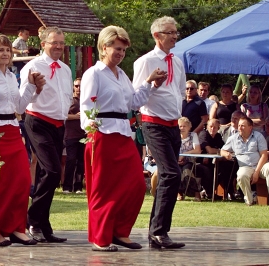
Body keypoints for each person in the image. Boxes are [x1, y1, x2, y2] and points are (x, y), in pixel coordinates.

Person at [81, 25, 166, 252]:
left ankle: (120, 232)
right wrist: (91, 131)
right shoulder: (94, 74)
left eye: (123, 50)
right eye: (117, 48)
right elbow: (86, 107)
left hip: (123, 134)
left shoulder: (121, 75)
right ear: (104, 47)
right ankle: (101, 237)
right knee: (103, 189)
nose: (120, 53)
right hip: (102, 134)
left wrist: (150, 83)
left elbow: (133, 102)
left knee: (136, 186)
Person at [0, 34, 41, 247]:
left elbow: (20, 107)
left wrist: (31, 87)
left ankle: (15, 227)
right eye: (0, 50)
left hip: (12, 130)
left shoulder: (12, 77)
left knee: (21, 181)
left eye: (7, 50)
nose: (5, 54)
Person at [132, 16, 185, 249]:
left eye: (176, 32)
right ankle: (158, 232)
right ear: (157, 35)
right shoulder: (146, 61)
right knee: (171, 174)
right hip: (153, 123)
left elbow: (180, 90)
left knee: (170, 176)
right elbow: (137, 94)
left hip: (173, 124)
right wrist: (152, 84)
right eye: (170, 32)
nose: (175, 36)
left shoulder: (178, 61)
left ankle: (157, 232)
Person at [19, 27, 72, 244]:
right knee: (52, 171)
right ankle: (32, 219)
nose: (59, 46)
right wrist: (35, 87)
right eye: (54, 42)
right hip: (38, 121)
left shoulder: (65, 69)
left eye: (61, 42)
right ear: (43, 44)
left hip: (58, 124)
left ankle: (43, 225)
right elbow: (23, 97)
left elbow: (66, 94)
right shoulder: (32, 66)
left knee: (46, 175)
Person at [221, 115, 269, 206]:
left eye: (243, 125)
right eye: (239, 125)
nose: (240, 127)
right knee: (241, 175)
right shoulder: (233, 138)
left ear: (250, 127)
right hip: (245, 167)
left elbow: (264, 156)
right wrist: (226, 154)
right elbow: (222, 150)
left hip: (261, 165)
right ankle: (249, 200)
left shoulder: (258, 136)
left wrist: (256, 172)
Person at [176, 117, 211, 201]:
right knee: (175, 171)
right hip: (176, 161)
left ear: (189, 127)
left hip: (190, 161)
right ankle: (179, 193)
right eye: (180, 126)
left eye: (184, 126)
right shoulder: (175, 137)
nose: (182, 128)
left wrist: (184, 154)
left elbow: (198, 150)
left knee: (187, 170)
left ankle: (196, 193)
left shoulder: (193, 135)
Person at [63, 78, 86, 194]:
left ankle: (78, 187)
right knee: (71, 160)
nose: (79, 88)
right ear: (73, 87)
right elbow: (62, 115)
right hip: (71, 135)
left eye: (80, 86)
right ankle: (67, 187)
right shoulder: (69, 100)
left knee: (81, 162)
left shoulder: (86, 100)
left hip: (84, 135)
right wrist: (75, 117)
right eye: (76, 86)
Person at [198, 118, 226, 199]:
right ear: (207, 127)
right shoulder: (203, 134)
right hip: (201, 161)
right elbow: (209, 150)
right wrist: (219, 151)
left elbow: (224, 149)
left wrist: (219, 151)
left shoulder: (218, 136)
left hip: (214, 161)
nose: (212, 129)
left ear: (218, 128)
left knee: (226, 168)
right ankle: (209, 192)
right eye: (210, 126)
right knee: (207, 171)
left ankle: (209, 191)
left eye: (215, 127)